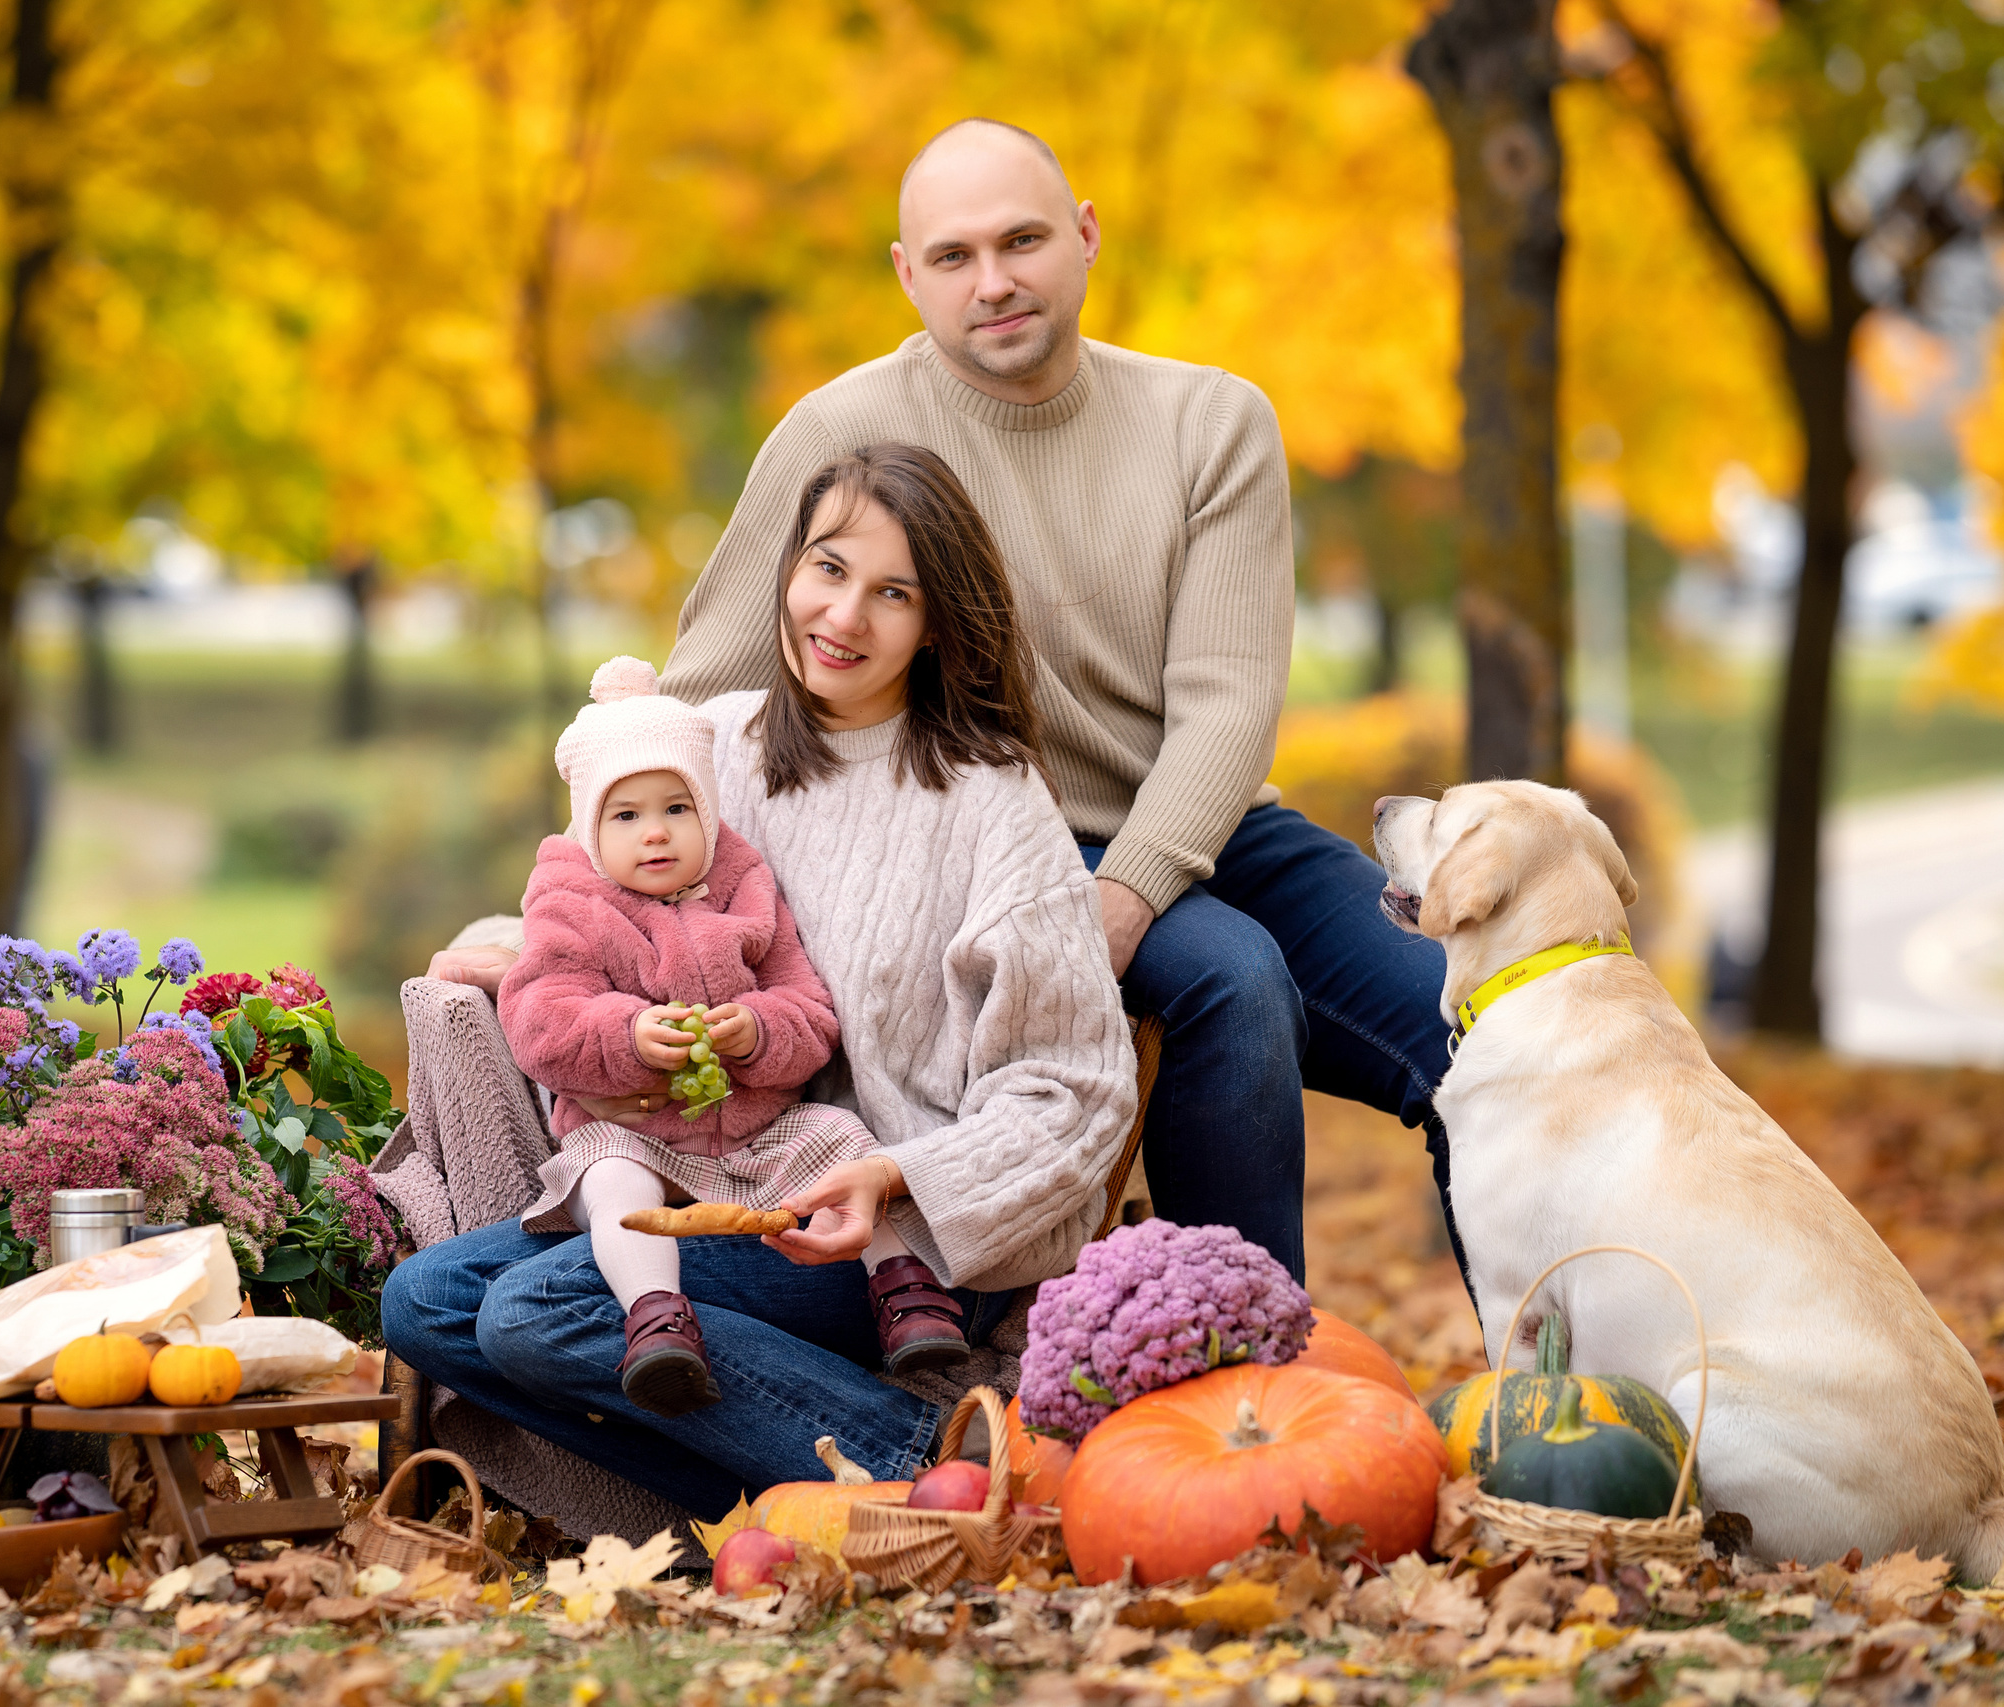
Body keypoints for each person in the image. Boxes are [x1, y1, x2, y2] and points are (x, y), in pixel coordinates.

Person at [655, 117, 1459, 1284]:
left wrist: (1126, 895)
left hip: (1205, 820)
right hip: (982, 838)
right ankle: (1233, 1373)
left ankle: (1553, 1408)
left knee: (1475, 1026)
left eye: (1022, 241)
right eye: (952, 257)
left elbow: (1228, 704)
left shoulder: (1210, 423)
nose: (994, 283)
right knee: (1229, 979)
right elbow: (693, 700)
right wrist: (581, 896)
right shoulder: (838, 433)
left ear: (1083, 237)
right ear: (905, 275)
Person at [383, 442, 1135, 1519]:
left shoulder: (989, 801)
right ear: (787, 568)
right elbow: (609, 890)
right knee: (424, 1303)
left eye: (893, 594)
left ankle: (921, 1463)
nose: (844, 617)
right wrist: (504, 949)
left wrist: (903, 1181)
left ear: (938, 622)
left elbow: (1075, 1091)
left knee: (535, 1311)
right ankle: (759, 1510)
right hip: (705, 1171)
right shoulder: (712, 745)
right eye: (827, 569)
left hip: (883, 1238)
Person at [500, 655, 971, 1421]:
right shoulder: (570, 897)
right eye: (626, 816)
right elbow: (539, 1017)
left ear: (708, 808)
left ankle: (906, 1288)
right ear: (590, 825)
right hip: (634, 1131)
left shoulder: (745, 878)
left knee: (843, 1136)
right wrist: (627, 1031)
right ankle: (656, 1317)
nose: (655, 832)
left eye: (676, 808)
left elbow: (811, 1013)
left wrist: (756, 1032)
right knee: (609, 1178)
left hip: (758, 1131)